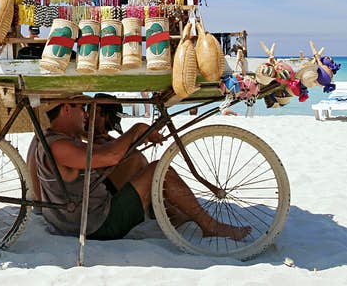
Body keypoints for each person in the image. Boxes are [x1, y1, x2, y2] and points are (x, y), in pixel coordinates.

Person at [31, 98, 251, 241]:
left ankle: (178, 215)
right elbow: (111, 156)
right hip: (98, 225)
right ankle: (210, 226)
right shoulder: (59, 146)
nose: (86, 115)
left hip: (82, 221)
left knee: (140, 165)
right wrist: (136, 129)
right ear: (66, 108)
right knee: (157, 169)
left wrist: (135, 138)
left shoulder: (51, 138)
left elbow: (107, 154)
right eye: (82, 108)